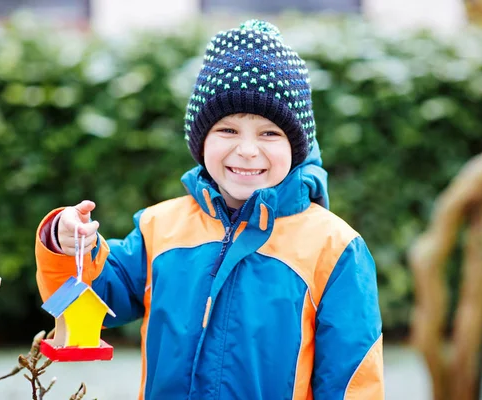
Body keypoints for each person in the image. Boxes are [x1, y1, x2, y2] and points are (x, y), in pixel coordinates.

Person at [35, 19, 384, 399]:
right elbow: (99, 291)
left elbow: (352, 380)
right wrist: (68, 242)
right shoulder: (160, 227)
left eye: (269, 133)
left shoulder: (335, 249)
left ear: (296, 146)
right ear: (200, 140)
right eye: (227, 130)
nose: (248, 150)